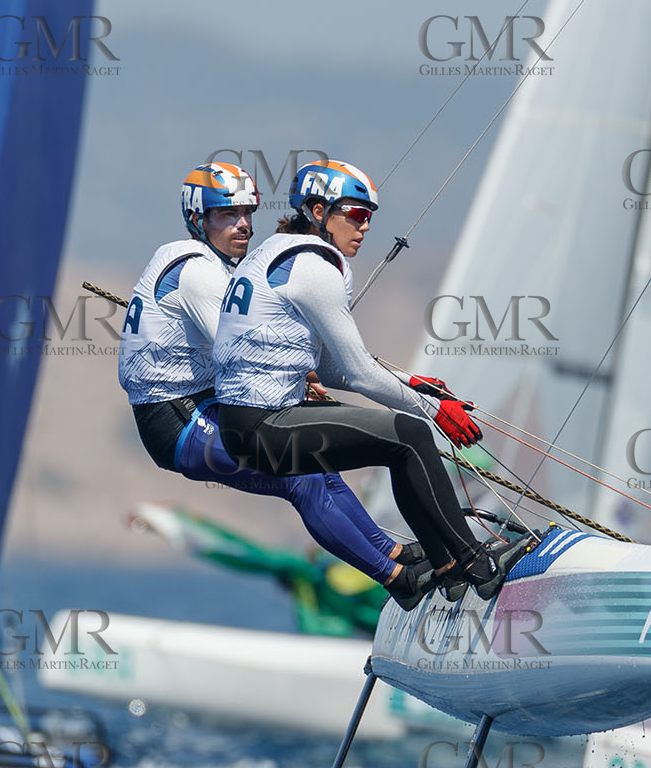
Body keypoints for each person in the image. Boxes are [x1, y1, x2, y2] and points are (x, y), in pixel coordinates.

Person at [118, 161, 434, 609]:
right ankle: (399, 580)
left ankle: (394, 552)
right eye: (228, 215)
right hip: (178, 421)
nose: (243, 225)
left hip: (205, 405)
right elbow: (244, 350)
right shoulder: (200, 273)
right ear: (198, 220)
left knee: (318, 458)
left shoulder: (200, 262)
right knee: (299, 477)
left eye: (247, 213)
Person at [211, 159, 508, 601]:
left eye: (370, 216)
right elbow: (358, 373)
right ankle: (473, 562)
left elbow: (331, 369)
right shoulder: (315, 268)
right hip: (264, 426)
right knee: (409, 433)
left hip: (249, 425)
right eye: (356, 214)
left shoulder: (276, 251)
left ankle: (445, 566)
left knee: (400, 442)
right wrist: (435, 411)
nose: (365, 226)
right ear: (317, 211)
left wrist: (412, 382)